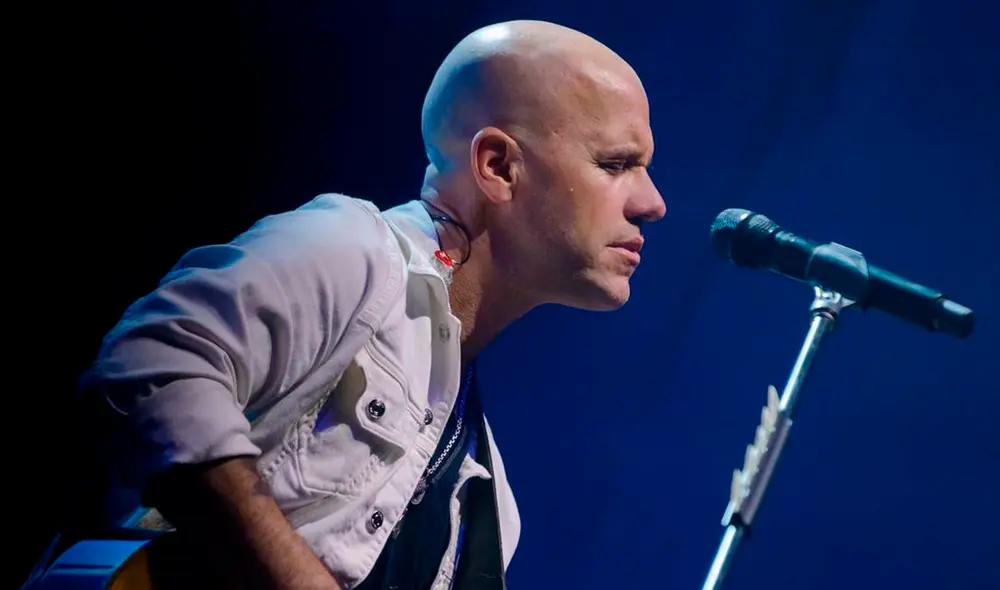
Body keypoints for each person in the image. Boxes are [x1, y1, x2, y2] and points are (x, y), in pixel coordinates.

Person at [71, 18, 665, 590]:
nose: (653, 203)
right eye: (616, 164)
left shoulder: (488, 509)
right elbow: (149, 366)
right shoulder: (351, 249)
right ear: (498, 166)